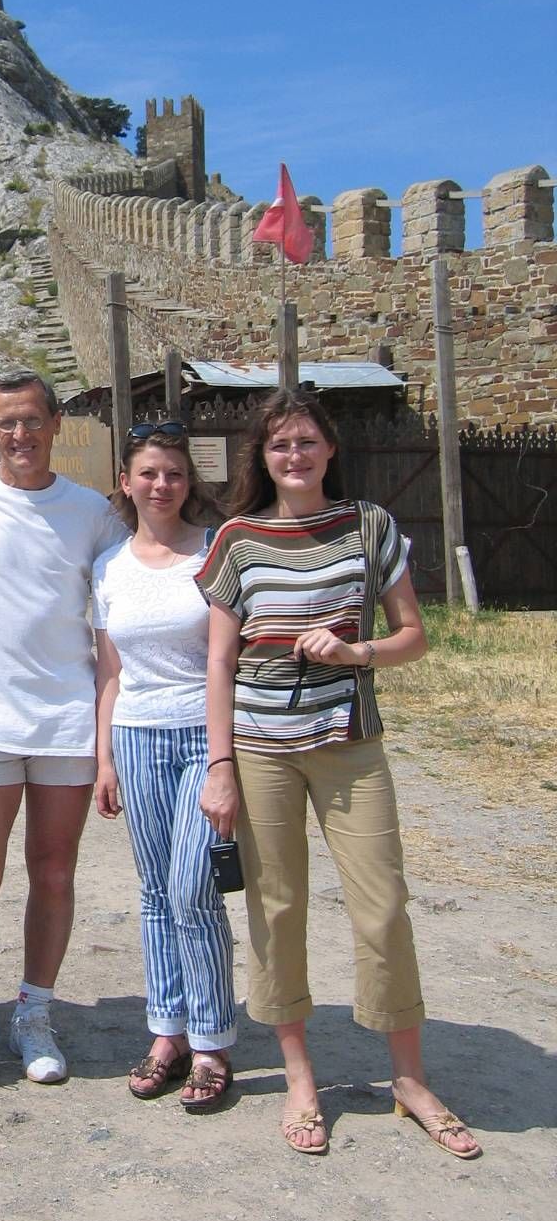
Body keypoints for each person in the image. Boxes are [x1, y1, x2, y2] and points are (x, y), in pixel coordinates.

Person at [197, 388, 482, 1158]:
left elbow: (413, 635)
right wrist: (219, 765)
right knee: (277, 907)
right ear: (262, 457)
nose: (294, 455)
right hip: (260, 747)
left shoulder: (369, 526)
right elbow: (218, 663)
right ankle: (299, 1077)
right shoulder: (237, 540)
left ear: (330, 449)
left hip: (349, 741)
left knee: (383, 905)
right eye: (279, 444)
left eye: (306, 442)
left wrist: (358, 651)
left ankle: (409, 1079)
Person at [0, 370, 125, 1100]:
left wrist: (107, 737)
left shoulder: (92, 514)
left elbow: (123, 611)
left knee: (54, 873)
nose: (20, 435)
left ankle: (34, 1014)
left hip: (65, 718)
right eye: (6, 423)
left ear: (56, 424)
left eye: (32, 420)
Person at [92, 422, 236, 1110]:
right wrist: (104, 760)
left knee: (192, 888)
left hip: (201, 734)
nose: (161, 485)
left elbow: (225, 661)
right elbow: (109, 672)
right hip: (137, 735)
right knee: (154, 892)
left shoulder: (215, 552)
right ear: (126, 482)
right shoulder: (108, 567)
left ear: (189, 482)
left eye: (174, 473)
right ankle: (167, 1032)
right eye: (148, 473)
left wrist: (224, 761)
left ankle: (211, 1040)